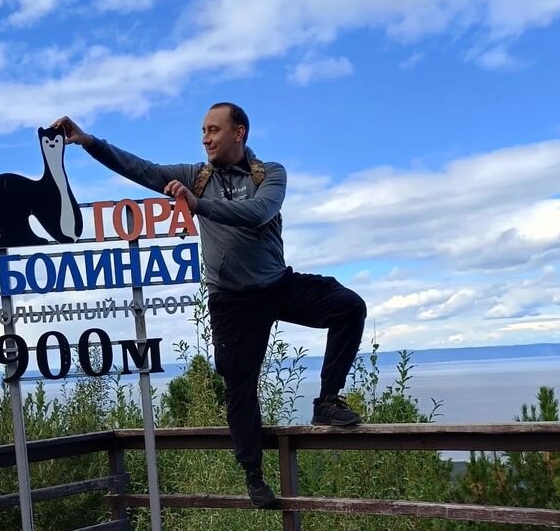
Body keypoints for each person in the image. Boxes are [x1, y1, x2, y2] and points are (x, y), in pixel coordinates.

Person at [51, 103, 366, 508]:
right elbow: (139, 168)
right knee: (239, 384)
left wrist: (198, 205)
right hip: (231, 300)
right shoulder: (195, 177)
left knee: (349, 307)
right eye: (203, 131)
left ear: (239, 133)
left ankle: (327, 402)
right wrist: (88, 141)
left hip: (276, 285)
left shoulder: (270, 174)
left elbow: (259, 213)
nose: (205, 138)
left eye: (214, 130)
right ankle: (254, 476)